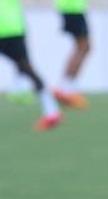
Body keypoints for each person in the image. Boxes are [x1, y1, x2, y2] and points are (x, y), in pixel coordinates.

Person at [0, 0, 62, 131]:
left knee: (26, 67)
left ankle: (51, 110)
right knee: (25, 67)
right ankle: (22, 91)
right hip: (12, 27)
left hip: (10, 29)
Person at [53, 0, 91, 109]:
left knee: (82, 47)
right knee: (83, 46)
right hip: (72, 8)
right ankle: (66, 87)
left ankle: (68, 85)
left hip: (71, 8)